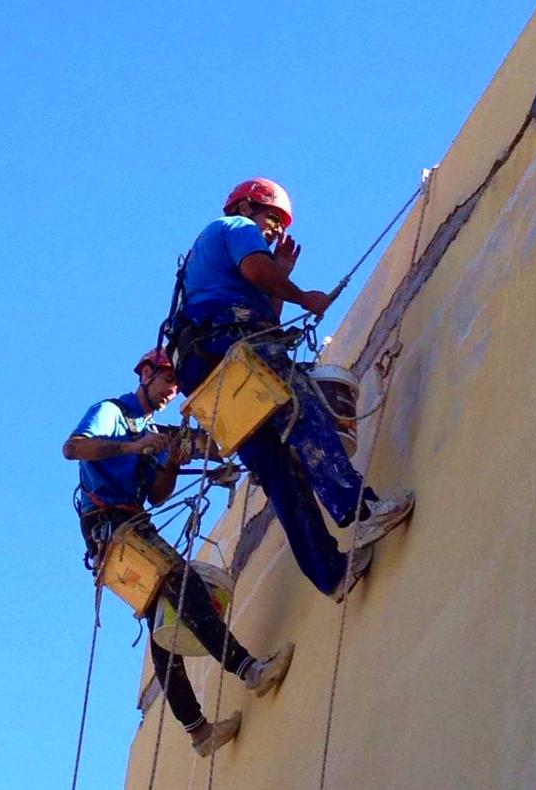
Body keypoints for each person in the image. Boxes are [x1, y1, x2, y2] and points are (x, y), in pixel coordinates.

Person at [168, 178, 414, 603]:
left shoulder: (206, 260)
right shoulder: (233, 227)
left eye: (279, 224)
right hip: (230, 341)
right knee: (302, 407)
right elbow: (254, 272)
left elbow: (265, 312)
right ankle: (360, 509)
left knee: (280, 472)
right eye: (271, 218)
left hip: (212, 371)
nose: (274, 230)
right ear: (246, 206)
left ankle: (332, 573)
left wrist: (278, 277)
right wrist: (303, 295)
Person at [63, 348, 294, 757]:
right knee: (183, 585)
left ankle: (198, 730)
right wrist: (134, 447)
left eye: (175, 384)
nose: (172, 390)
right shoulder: (113, 414)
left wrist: (170, 460)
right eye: (168, 380)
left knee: (163, 622)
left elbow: (156, 494)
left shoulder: (156, 431)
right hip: (109, 524)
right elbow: (74, 448)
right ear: (147, 373)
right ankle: (248, 668)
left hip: (129, 521)